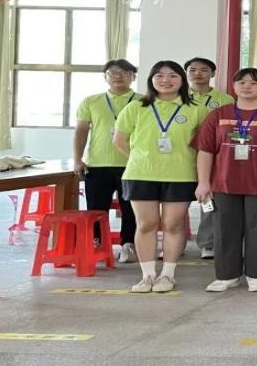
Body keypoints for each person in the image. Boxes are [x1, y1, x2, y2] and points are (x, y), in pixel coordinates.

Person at [193, 68, 257, 292]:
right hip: (224, 183)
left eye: (253, 82)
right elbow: (205, 151)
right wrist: (203, 182)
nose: (247, 86)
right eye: (242, 82)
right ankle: (227, 275)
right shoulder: (218, 114)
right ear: (233, 86)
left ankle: (256, 275)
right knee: (224, 230)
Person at [113, 61, 206, 293]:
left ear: (182, 80)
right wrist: (141, 158)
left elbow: (204, 146)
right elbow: (119, 140)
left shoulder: (196, 109)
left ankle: (167, 275)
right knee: (146, 224)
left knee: (173, 224)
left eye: (173, 75)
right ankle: (147, 276)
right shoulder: (135, 107)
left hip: (181, 175)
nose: (166, 80)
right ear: (151, 80)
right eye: (159, 76)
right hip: (141, 174)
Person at [74, 59, 139, 262]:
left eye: (124, 73)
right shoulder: (91, 101)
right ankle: (97, 244)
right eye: (113, 73)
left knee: (131, 208)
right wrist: (77, 159)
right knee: (96, 208)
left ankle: (128, 244)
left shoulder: (143, 101)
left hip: (133, 164)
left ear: (133, 77)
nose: (118, 76)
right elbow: (81, 132)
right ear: (105, 77)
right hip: (97, 164)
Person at [185, 57, 235, 259]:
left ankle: (208, 243)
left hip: (212, 156)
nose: (198, 74)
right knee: (177, 204)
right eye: (193, 70)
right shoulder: (178, 96)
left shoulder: (225, 99)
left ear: (213, 73)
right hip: (182, 155)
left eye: (203, 70)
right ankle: (175, 243)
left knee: (208, 200)